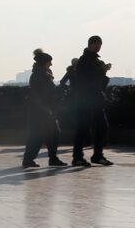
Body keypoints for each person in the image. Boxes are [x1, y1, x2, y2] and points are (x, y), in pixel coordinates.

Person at [71, 35, 113, 167]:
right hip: (86, 101)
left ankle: (97, 156)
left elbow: (99, 82)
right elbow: (88, 79)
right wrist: (102, 70)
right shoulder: (84, 60)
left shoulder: (95, 61)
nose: (99, 47)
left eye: (100, 44)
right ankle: (78, 157)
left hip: (94, 100)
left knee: (101, 127)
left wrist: (103, 72)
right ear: (91, 44)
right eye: (96, 44)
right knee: (82, 129)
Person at [22, 49, 66, 168]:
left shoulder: (39, 74)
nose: (51, 64)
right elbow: (48, 92)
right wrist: (60, 88)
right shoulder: (42, 75)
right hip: (43, 112)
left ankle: (33, 159)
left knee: (43, 135)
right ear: (45, 63)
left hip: (41, 111)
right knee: (44, 135)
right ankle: (40, 159)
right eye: (49, 62)